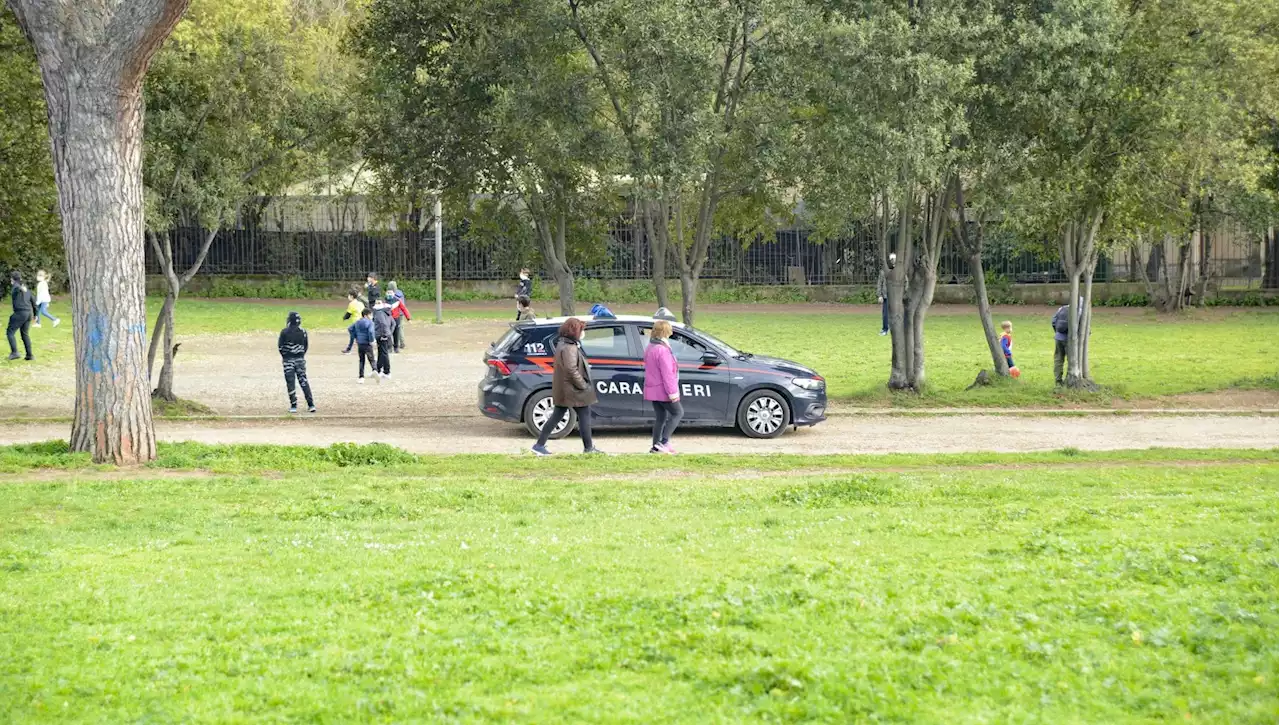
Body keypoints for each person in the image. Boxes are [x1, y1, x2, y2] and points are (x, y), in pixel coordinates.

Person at [531, 317, 603, 456]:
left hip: (565, 389)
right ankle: (588, 448)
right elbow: (571, 369)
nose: (583, 333)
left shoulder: (564, 344)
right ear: (575, 331)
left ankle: (539, 445)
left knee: (557, 415)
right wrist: (582, 384)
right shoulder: (569, 347)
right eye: (582, 330)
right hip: (572, 389)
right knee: (584, 415)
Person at [644, 320, 683, 454]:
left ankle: (656, 445)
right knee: (678, 413)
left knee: (660, 417)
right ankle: (663, 442)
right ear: (666, 332)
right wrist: (673, 393)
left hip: (653, 389)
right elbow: (667, 374)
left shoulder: (651, 346)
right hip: (663, 390)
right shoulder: (663, 350)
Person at [278, 311, 315, 414]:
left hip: (288, 360)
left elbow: (280, 347)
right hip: (300, 360)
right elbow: (305, 346)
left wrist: (286, 356)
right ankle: (311, 404)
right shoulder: (303, 332)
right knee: (303, 381)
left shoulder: (284, 332)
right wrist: (300, 355)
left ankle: (293, 405)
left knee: (290, 382)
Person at [1051, 298, 1085, 386]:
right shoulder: (1081, 311)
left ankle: (1058, 380)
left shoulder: (1062, 308)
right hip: (1070, 339)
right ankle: (1069, 380)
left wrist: (1058, 333)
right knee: (1072, 360)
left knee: (1058, 359)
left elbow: (1053, 321)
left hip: (1058, 337)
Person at [7, 271, 36, 361]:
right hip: (28, 314)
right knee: (25, 334)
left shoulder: (16, 287)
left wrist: (20, 288)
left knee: (10, 332)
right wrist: (36, 314)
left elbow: (17, 288)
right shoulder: (26, 289)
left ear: (12, 279)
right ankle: (30, 355)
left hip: (20, 313)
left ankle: (15, 352)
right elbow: (34, 302)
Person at [350, 308, 376, 383]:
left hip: (360, 343)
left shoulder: (357, 322)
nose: (371, 316)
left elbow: (350, 329)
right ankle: (375, 369)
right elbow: (371, 332)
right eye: (370, 315)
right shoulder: (370, 322)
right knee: (371, 358)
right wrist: (372, 340)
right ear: (366, 315)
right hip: (367, 343)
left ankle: (361, 377)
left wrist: (355, 337)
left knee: (361, 360)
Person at [372, 298, 395, 379]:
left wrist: (384, 334)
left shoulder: (379, 313)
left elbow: (383, 324)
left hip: (382, 335)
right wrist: (389, 333)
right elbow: (393, 323)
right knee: (381, 353)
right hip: (385, 334)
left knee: (384, 353)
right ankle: (378, 370)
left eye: (378, 302)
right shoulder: (387, 312)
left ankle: (387, 372)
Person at [341, 289, 364, 354]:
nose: (348, 297)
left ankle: (350, 349)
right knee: (354, 333)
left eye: (349, 295)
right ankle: (350, 348)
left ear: (351, 296)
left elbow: (348, 314)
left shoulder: (352, 304)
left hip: (356, 322)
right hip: (361, 321)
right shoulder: (360, 303)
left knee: (352, 332)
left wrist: (344, 318)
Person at [876, 269, 888, 336]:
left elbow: (905, 282)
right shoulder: (883, 271)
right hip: (886, 295)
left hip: (897, 295)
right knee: (885, 314)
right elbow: (879, 283)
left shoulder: (900, 269)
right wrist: (879, 295)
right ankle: (885, 329)